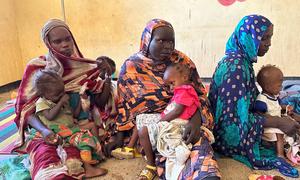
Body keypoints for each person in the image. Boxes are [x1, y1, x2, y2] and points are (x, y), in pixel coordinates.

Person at [109, 19, 220, 180]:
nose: (168, 46)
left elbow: (199, 95)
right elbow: (125, 107)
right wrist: (118, 136)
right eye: (161, 41)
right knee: (166, 148)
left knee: (197, 141)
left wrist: (196, 121)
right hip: (153, 126)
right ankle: (175, 172)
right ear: (147, 40)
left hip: (186, 117)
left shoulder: (181, 62)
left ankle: (206, 173)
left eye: (171, 41)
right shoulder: (132, 67)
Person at [13, 19, 109, 179]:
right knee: (47, 158)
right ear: (48, 43)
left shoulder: (83, 68)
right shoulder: (37, 68)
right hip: (44, 127)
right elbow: (25, 110)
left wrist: (105, 77)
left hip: (73, 123)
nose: (65, 45)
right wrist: (44, 130)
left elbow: (99, 103)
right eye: (57, 41)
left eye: (68, 39)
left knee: (79, 150)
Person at [208, 15, 300, 178]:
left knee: (291, 108)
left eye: (270, 37)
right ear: (248, 37)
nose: (269, 43)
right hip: (227, 135)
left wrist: (281, 111)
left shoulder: (242, 61)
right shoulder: (236, 67)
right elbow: (233, 123)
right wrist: (278, 121)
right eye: (264, 38)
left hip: (240, 120)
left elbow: (253, 102)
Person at [34, 70, 102, 164]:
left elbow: (74, 115)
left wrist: (80, 101)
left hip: (71, 128)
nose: (62, 95)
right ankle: (87, 160)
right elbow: (50, 116)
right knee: (84, 140)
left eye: (62, 91)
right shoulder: (42, 102)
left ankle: (98, 148)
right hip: (59, 131)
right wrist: (61, 102)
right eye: (57, 95)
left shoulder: (62, 100)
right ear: (43, 94)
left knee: (93, 125)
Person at [255, 65, 300, 164]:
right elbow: (258, 114)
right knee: (279, 133)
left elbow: (278, 105)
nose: (282, 87)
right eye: (279, 85)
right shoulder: (262, 99)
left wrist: (286, 107)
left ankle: (295, 142)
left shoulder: (274, 96)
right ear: (268, 87)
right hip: (270, 127)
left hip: (278, 121)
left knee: (295, 123)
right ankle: (280, 154)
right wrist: (273, 119)